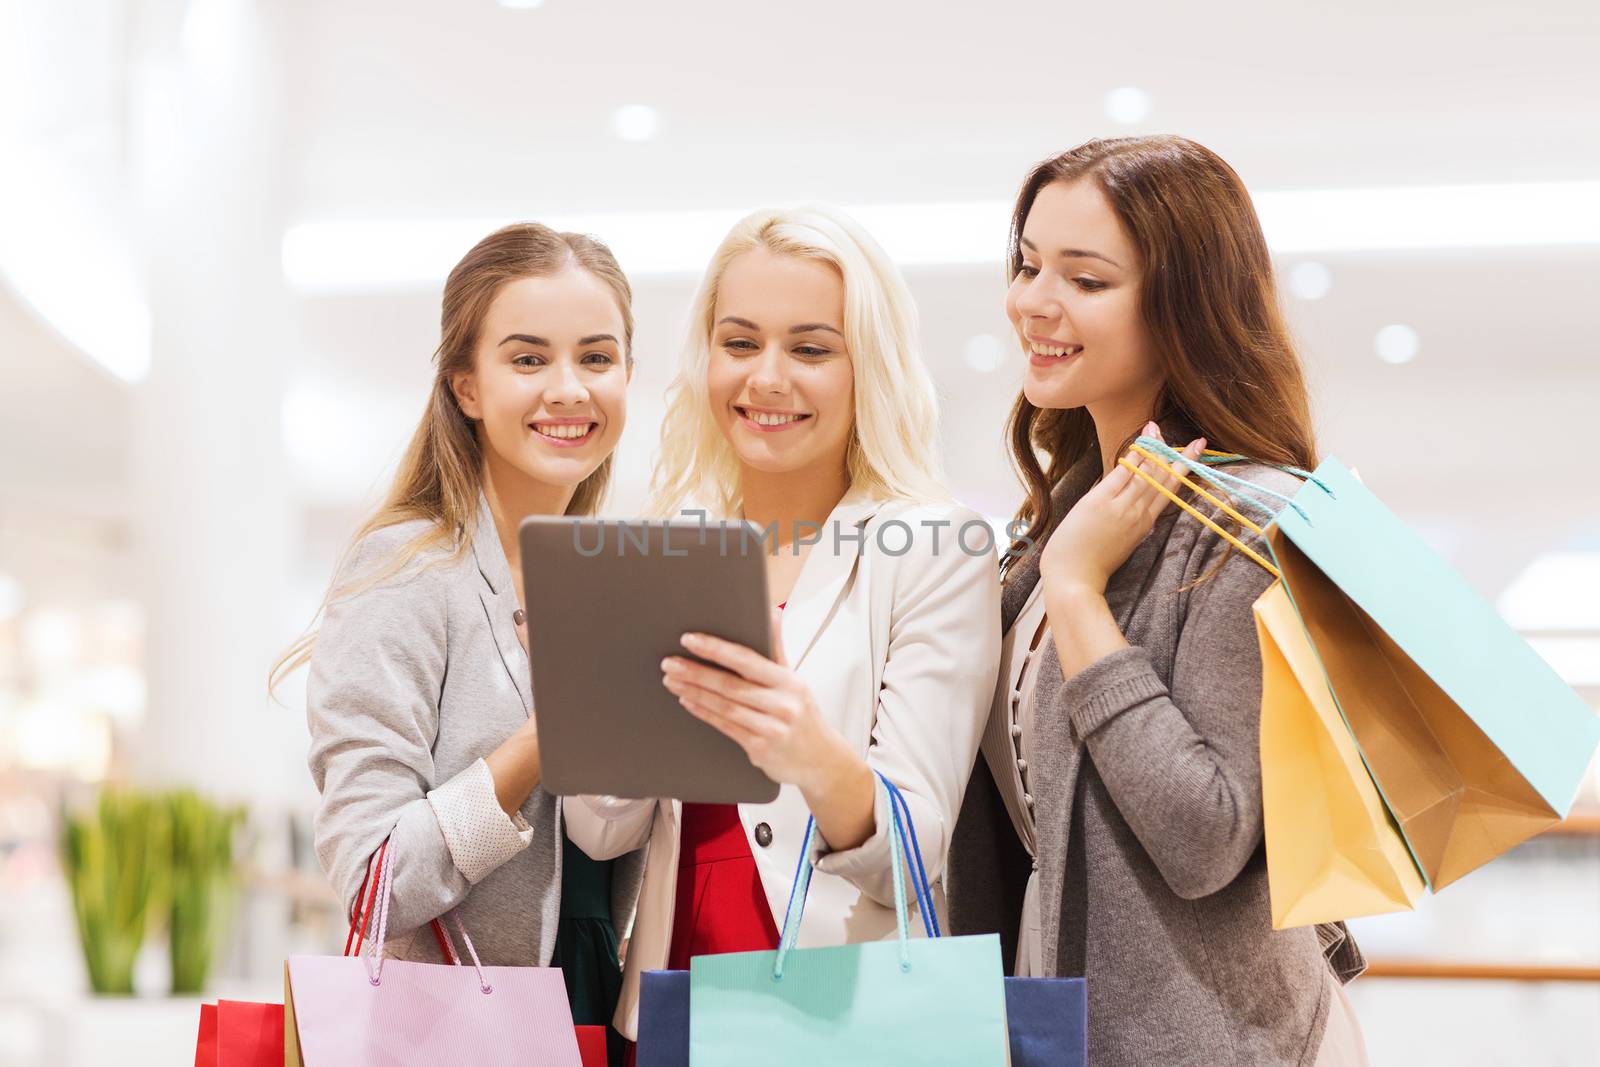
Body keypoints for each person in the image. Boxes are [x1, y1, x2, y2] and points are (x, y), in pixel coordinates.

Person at [947, 136, 1369, 1066]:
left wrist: (1078, 593)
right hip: (1072, 1023)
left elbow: (1206, 836)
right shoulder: (1063, 517)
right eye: (1027, 265)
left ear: (1183, 305)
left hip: (1220, 1041)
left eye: (1086, 279)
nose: (1034, 303)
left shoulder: (1253, 522)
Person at [565, 205, 1002, 1042]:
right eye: (739, 343)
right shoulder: (666, 542)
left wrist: (807, 750)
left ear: (864, 367)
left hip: (838, 1005)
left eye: (810, 348)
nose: (766, 378)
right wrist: (596, 707)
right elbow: (602, 827)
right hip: (670, 997)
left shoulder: (934, 546)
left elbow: (914, 858)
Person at [278, 222, 643, 1065]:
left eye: (597, 358)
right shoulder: (406, 570)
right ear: (466, 386)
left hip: (598, 1004)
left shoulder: (613, 582)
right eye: (527, 359)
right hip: (454, 1028)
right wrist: (545, 738)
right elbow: (374, 883)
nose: (569, 389)